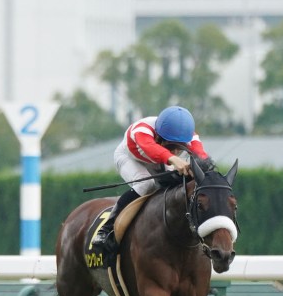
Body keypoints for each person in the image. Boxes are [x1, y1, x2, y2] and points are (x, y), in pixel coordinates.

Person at [91, 105, 213, 251]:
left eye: (179, 148)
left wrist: (202, 169)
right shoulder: (142, 130)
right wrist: (174, 159)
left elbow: (202, 156)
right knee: (147, 184)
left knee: (174, 187)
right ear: (159, 137)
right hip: (129, 158)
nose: (175, 151)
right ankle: (105, 229)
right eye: (171, 147)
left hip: (159, 160)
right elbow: (151, 148)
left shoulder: (189, 135)